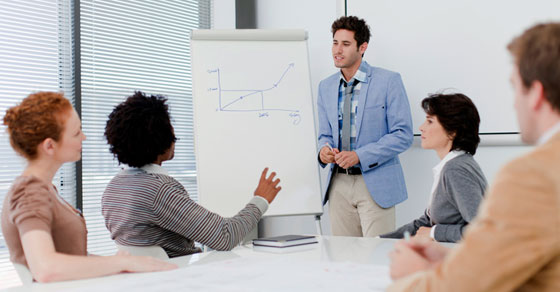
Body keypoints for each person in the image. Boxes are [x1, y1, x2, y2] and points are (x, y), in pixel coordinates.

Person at [388, 22, 560, 291]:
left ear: (536, 93)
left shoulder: (533, 175)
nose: (514, 103)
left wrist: (411, 276)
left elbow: (468, 284)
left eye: (515, 88)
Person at [1, 92, 176, 283]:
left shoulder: (45, 189)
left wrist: (127, 263)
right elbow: (45, 268)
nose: (83, 138)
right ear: (50, 146)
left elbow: (72, 257)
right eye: (76, 133)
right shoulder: (29, 193)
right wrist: (120, 264)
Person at [102, 91, 282, 258]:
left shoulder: (113, 188)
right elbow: (225, 237)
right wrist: (261, 199)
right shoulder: (159, 190)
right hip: (181, 278)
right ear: (161, 138)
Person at [317, 16, 413, 237]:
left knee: (378, 257)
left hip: (375, 182)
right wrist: (324, 151)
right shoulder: (326, 87)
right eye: (335, 42)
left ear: (363, 47)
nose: (337, 50)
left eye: (345, 44)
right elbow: (324, 134)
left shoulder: (389, 81)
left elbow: (403, 134)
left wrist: (360, 155)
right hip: (338, 184)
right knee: (342, 261)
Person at [381, 93, 487, 243]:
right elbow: (424, 223)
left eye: (430, 121)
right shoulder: (452, 165)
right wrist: (378, 241)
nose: (421, 128)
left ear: (452, 132)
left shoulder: (456, 170)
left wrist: (434, 232)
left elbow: (482, 231)